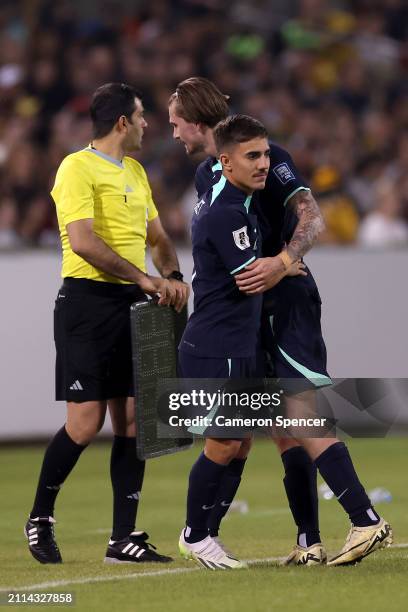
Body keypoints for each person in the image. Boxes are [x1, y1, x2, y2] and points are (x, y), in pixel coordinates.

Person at [169, 77, 393, 567]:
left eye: (176, 123)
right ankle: (309, 541)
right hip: (249, 311)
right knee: (281, 427)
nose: (173, 134)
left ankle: (364, 518)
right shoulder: (210, 178)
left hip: (284, 300)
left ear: (196, 120)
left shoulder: (270, 155)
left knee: (298, 412)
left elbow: (312, 218)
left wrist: (286, 260)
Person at [25, 82, 189, 565]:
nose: (146, 124)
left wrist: (172, 275)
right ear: (123, 122)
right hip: (87, 303)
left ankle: (123, 538)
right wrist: (144, 278)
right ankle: (39, 517)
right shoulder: (75, 167)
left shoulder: (136, 172)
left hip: (131, 304)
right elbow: (83, 242)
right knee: (84, 422)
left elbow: (157, 237)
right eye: (141, 116)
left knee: (135, 420)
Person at [178, 114, 303, 570]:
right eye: (253, 156)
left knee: (241, 441)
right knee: (224, 442)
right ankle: (195, 534)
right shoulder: (228, 211)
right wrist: (286, 263)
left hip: (237, 342)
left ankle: (209, 532)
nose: (264, 163)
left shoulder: (237, 200)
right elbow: (251, 279)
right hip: (216, 344)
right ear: (226, 162)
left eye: (267, 153)